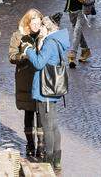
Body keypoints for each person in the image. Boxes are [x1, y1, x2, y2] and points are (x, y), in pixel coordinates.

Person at [24, 14, 70, 172]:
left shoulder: (50, 43)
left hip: (46, 90)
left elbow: (38, 63)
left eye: (43, 25)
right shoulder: (57, 40)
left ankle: (49, 161)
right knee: (54, 126)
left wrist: (28, 50)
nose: (40, 28)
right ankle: (56, 161)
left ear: (48, 27)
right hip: (52, 88)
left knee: (48, 127)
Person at [8, 10, 44, 160]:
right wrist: (24, 56)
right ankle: (30, 144)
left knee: (41, 113)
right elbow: (11, 56)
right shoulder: (18, 35)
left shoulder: (44, 35)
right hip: (25, 78)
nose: (36, 26)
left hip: (41, 79)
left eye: (38, 23)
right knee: (29, 112)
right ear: (28, 23)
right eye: (33, 23)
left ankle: (41, 146)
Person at [59, 0, 98, 68]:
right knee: (77, 31)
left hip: (83, 9)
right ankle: (85, 50)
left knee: (77, 31)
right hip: (72, 8)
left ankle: (72, 55)